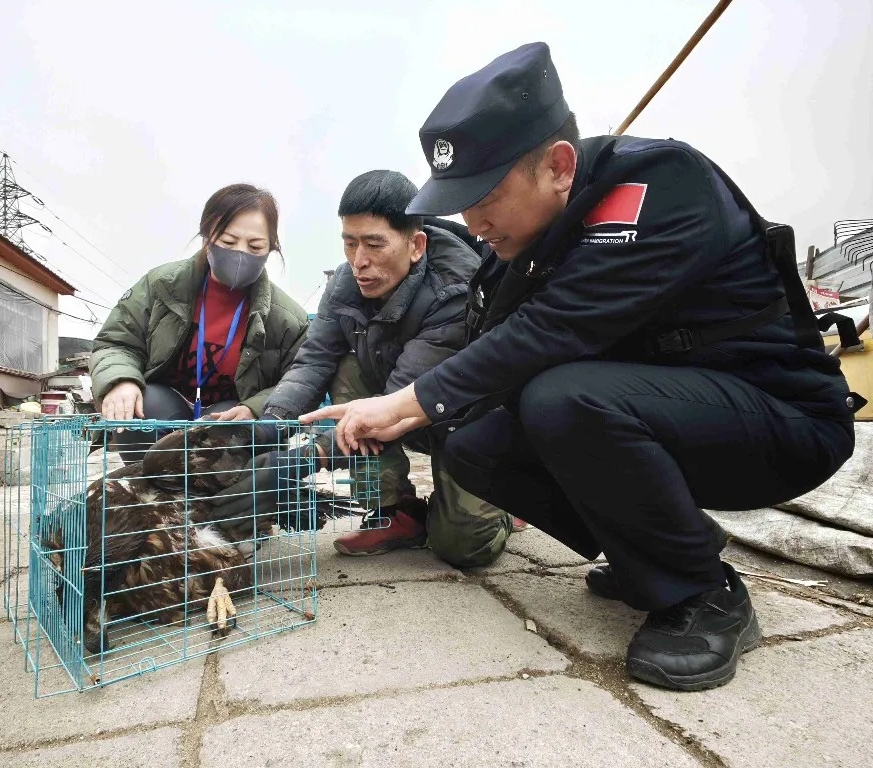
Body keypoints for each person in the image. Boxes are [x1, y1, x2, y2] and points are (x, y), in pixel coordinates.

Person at [302, 43, 863, 691]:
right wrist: (398, 423)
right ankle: (658, 542)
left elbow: (548, 333)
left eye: (486, 194)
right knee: (475, 441)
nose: (473, 221)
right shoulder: (521, 248)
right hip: (667, 418)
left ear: (560, 166)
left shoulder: (660, 186)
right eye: (460, 200)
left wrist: (402, 403)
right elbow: (485, 363)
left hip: (781, 422)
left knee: (562, 397)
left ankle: (705, 592)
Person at [209, 169, 522, 567]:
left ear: (416, 245)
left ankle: (506, 505)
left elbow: (397, 400)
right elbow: (315, 359)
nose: (359, 262)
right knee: (344, 365)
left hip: (458, 416)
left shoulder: (454, 291)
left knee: (464, 548)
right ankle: (395, 510)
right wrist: (267, 427)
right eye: (350, 243)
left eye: (375, 244)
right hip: (391, 404)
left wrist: (305, 459)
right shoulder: (344, 285)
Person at [90, 183, 310, 462]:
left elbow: (300, 381)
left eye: (255, 246)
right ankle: (147, 493)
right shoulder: (162, 285)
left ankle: (220, 502)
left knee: (234, 426)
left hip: (230, 415)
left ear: (271, 248)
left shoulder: (288, 319)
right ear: (207, 237)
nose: (240, 254)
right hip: (166, 408)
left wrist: (255, 408)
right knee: (145, 402)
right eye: (229, 242)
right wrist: (120, 380)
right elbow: (116, 342)